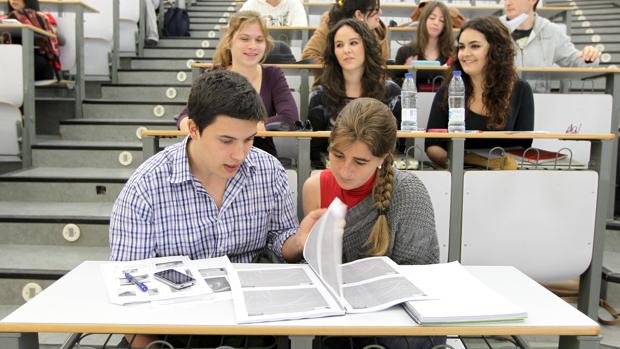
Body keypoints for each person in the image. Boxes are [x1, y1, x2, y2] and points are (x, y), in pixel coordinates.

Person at [303, 97, 441, 349]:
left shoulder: (409, 193)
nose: (345, 170)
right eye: (337, 155)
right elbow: (315, 269)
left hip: (398, 324)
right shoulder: (315, 187)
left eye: (360, 162)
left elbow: (422, 276)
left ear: (382, 158)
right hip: (339, 324)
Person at [176, 11, 299, 157]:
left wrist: (225, 129)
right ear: (229, 41)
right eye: (244, 39)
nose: (252, 46)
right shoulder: (213, 75)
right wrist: (253, 127)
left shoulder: (273, 75)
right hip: (215, 158)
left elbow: (289, 119)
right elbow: (186, 118)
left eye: (259, 40)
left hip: (260, 158)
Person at [425, 16, 535, 166]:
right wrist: (469, 164)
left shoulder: (521, 90)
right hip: (459, 176)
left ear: (496, 50)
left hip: (506, 178)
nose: (465, 54)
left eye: (475, 46)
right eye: (462, 47)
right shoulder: (448, 89)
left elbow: (524, 147)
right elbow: (432, 145)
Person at [307, 18, 401, 168]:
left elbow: (398, 146)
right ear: (333, 52)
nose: (346, 50)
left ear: (367, 46)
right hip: (333, 173)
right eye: (339, 45)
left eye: (353, 43)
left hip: (381, 174)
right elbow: (314, 151)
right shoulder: (320, 95)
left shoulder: (390, 92)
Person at [501, 0, 601, 91]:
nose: (508, 3)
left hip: (541, 102)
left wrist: (589, 56)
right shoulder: (491, 31)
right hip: (499, 104)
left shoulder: (552, 31)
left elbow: (576, 62)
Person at [301, 0, 388, 64]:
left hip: (371, 85)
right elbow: (309, 55)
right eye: (376, 9)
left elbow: (381, 68)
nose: (380, 12)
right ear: (359, 15)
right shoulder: (331, 22)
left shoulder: (378, 29)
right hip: (333, 85)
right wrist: (340, 69)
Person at [393, 0, 455, 90]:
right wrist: (406, 70)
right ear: (424, 20)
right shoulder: (405, 51)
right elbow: (395, 87)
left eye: (441, 20)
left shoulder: (452, 54)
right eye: (432, 18)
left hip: (442, 103)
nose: (436, 23)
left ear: (445, 25)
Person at [4, 0, 61, 81]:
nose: (13, 0)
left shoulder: (42, 17)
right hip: (13, 59)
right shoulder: (5, 18)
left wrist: (50, 29)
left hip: (37, 61)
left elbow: (61, 40)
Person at [240, 0, 308, 26]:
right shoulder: (251, 4)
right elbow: (236, 27)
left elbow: (301, 30)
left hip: (287, 52)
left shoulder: (295, 3)